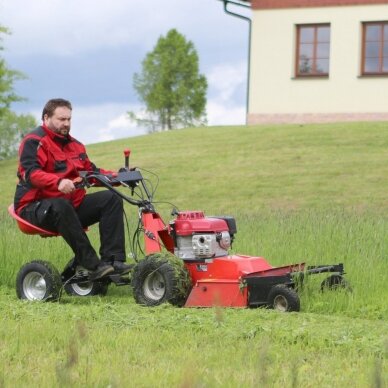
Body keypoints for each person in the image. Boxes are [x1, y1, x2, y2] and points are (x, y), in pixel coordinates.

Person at [14, 98, 132, 281]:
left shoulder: (76, 146)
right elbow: (29, 173)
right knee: (60, 205)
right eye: (61, 119)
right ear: (46, 118)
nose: (67, 124)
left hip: (68, 206)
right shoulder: (33, 141)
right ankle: (93, 265)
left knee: (111, 198)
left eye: (69, 119)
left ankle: (113, 262)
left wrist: (121, 178)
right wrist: (58, 182)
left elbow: (92, 173)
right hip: (33, 208)